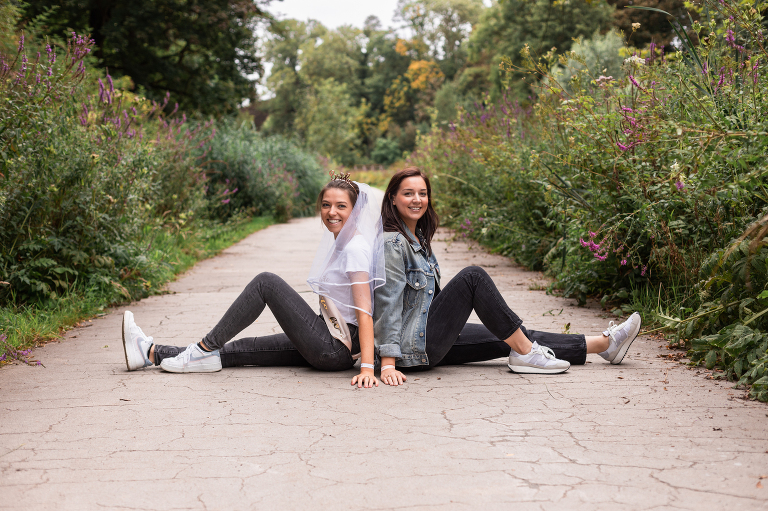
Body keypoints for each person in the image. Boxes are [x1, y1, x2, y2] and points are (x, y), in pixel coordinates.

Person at [373, 167, 642, 386]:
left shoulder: (417, 238)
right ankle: (527, 354)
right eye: (408, 193)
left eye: (422, 193)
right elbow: (388, 303)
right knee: (473, 277)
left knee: (512, 334)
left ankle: (605, 345)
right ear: (393, 199)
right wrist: (387, 363)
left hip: (427, 337)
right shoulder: (393, 243)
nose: (417, 199)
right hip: (413, 348)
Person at [121, 176, 385, 388]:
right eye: (326, 205)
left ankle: (204, 347)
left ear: (356, 209)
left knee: (266, 283)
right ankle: (150, 352)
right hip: (326, 338)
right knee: (242, 349)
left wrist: (366, 369)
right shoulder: (344, 242)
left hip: (334, 347)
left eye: (341, 206)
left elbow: (365, 313)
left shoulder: (355, 249)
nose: (331, 212)